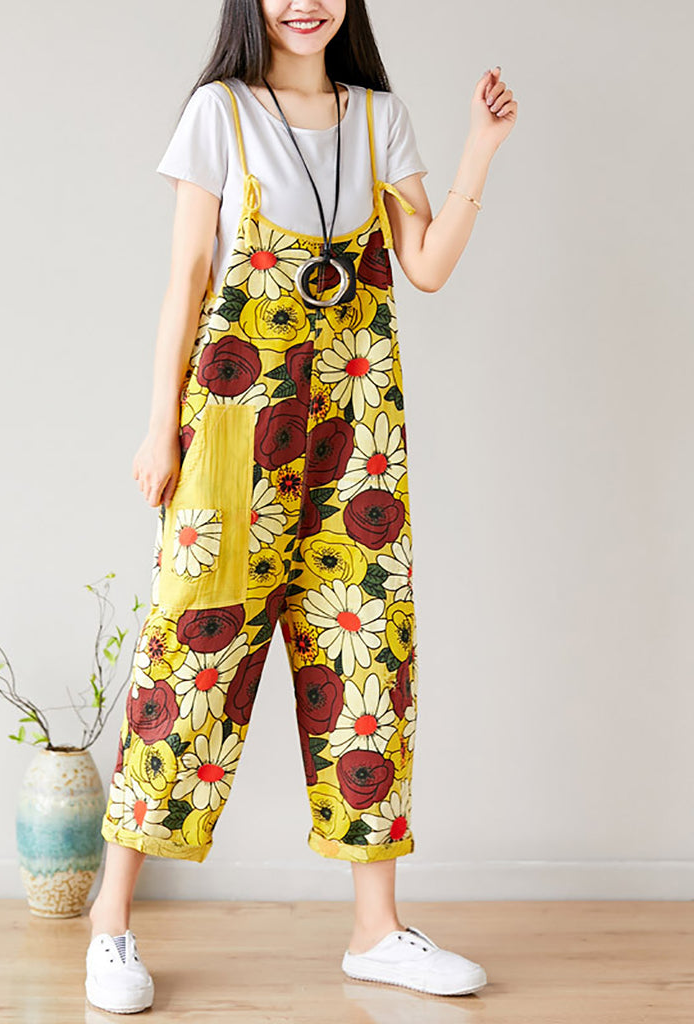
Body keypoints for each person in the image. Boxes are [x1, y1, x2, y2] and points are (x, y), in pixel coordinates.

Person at [85, 0, 517, 1014]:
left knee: (368, 662)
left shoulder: (379, 118)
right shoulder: (221, 112)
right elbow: (189, 277)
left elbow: (425, 266)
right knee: (187, 660)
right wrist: (159, 429)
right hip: (233, 427)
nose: (302, 3)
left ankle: (377, 931)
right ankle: (110, 925)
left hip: (357, 437)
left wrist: (480, 150)